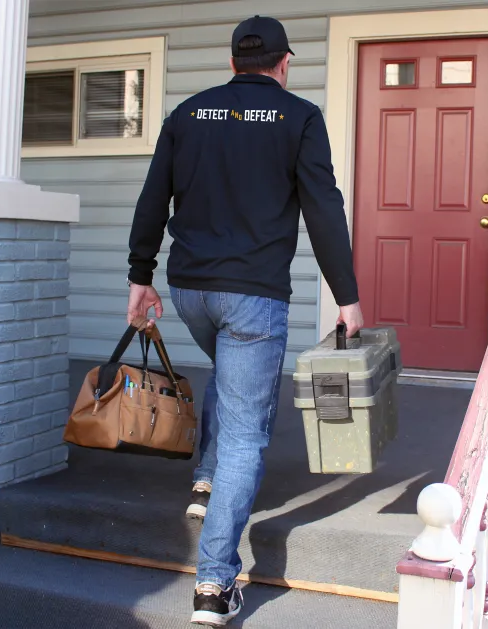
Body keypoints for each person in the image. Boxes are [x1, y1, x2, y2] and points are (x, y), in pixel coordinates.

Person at [126, 14, 363, 626]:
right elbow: (323, 207)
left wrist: (139, 275)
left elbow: (154, 197)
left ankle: (204, 482)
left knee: (228, 379)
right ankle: (214, 582)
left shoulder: (189, 114)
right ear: (283, 65)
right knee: (244, 431)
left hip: (189, 291)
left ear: (233, 64)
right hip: (254, 297)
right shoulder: (300, 117)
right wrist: (347, 294)